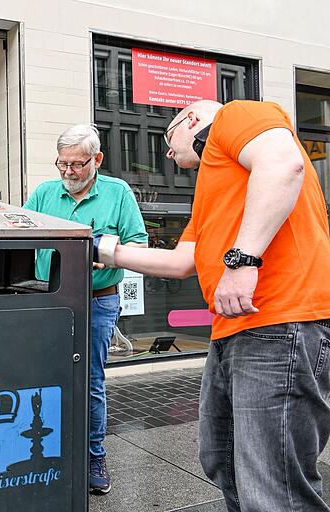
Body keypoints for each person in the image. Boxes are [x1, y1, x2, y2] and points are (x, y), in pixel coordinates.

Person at [97, 99, 330, 511]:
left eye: (168, 139)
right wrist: (104, 249)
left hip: (280, 323)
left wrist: (243, 259)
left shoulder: (235, 116)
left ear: (191, 119)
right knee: (222, 457)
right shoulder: (212, 188)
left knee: (275, 486)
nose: (168, 153)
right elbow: (181, 261)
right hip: (234, 333)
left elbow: (283, 164)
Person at [23, 124, 147, 495]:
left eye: (77, 165)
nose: (68, 173)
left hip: (98, 299)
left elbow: (138, 243)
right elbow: (17, 232)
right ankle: (47, 453)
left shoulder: (117, 192)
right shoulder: (45, 192)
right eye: (62, 164)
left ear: (97, 160)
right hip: (47, 300)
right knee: (44, 376)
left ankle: (94, 456)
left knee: (90, 382)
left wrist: (108, 252)